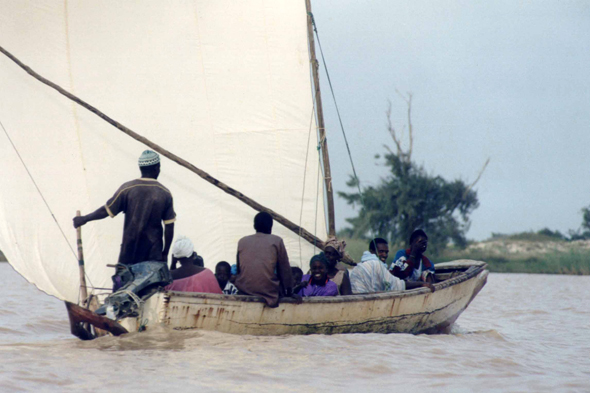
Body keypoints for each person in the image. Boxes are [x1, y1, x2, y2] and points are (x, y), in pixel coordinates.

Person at [73, 150, 176, 266]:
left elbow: (105, 211)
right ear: (157, 168)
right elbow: (169, 227)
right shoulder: (164, 193)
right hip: (153, 254)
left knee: (123, 283)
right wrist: (165, 253)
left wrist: (84, 219)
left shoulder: (127, 189)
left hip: (128, 253)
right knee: (153, 284)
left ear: (140, 168)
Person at [234, 212, 296, 307]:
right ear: (271, 226)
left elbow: (239, 269)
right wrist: (289, 291)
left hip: (244, 290)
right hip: (269, 291)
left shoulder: (242, 241)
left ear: (254, 226)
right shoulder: (276, 241)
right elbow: (284, 270)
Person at [350, 258, 434, 294]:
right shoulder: (376, 265)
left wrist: (420, 283)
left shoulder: (381, 268)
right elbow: (399, 284)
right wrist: (421, 284)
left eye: (386, 252)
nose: (384, 255)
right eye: (381, 251)